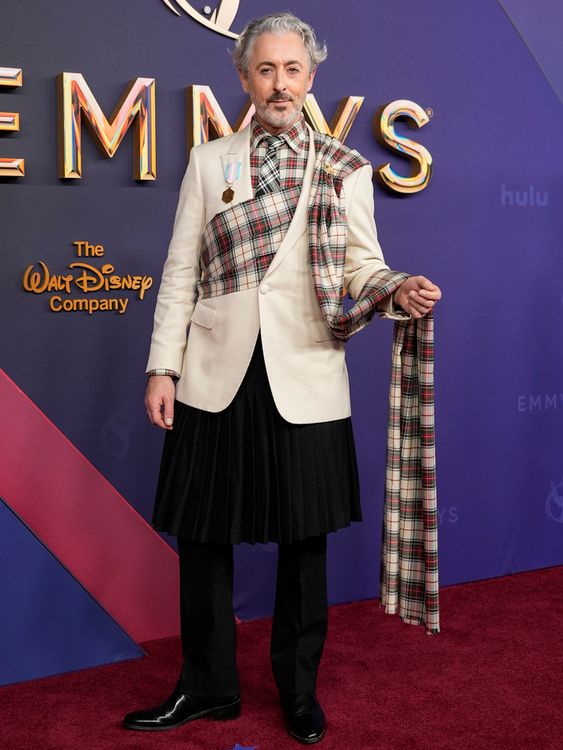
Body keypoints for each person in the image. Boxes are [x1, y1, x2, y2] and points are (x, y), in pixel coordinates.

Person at [122, 11, 441, 744]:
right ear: (243, 78)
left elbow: (360, 264)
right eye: (264, 69)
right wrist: (162, 366)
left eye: (291, 69)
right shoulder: (209, 162)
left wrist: (394, 288)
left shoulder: (344, 168)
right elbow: (180, 273)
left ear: (310, 78)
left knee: (304, 543)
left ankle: (299, 692)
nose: (278, 83)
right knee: (203, 537)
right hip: (212, 373)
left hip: (305, 371)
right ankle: (207, 688)